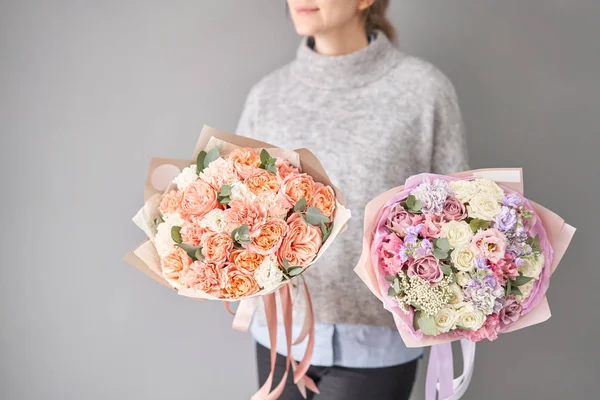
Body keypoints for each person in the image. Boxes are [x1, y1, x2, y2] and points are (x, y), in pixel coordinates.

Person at [236, 1, 469, 399]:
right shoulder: (267, 96)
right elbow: (238, 209)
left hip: (378, 347)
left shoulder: (424, 91)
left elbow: (456, 218)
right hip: (279, 342)